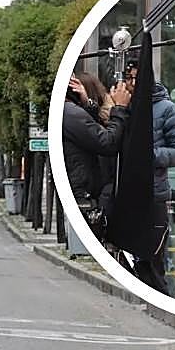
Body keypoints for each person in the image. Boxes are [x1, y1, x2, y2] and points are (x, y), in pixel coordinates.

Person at [121, 59, 175, 296]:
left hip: (154, 194)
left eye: (137, 78)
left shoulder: (166, 109)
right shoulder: (124, 106)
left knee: (152, 261)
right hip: (125, 194)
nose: (133, 84)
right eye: (129, 78)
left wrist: (149, 155)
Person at [61, 71, 130, 234]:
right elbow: (106, 142)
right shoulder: (70, 113)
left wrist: (87, 103)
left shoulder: (72, 112)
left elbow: (89, 129)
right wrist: (119, 109)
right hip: (84, 191)